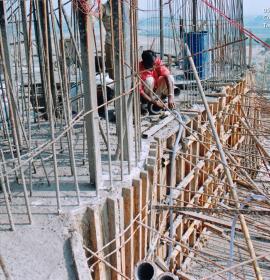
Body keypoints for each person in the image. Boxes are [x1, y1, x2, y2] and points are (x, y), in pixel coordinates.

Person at [139, 50, 176, 115]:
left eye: (154, 64)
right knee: (149, 80)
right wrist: (154, 102)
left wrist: (171, 96)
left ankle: (165, 100)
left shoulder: (157, 61)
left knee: (170, 78)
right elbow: (140, 91)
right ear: (144, 63)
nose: (154, 67)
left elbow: (167, 76)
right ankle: (145, 105)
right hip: (146, 93)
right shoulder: (139, 69)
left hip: (156, 89)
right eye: (151, 65)